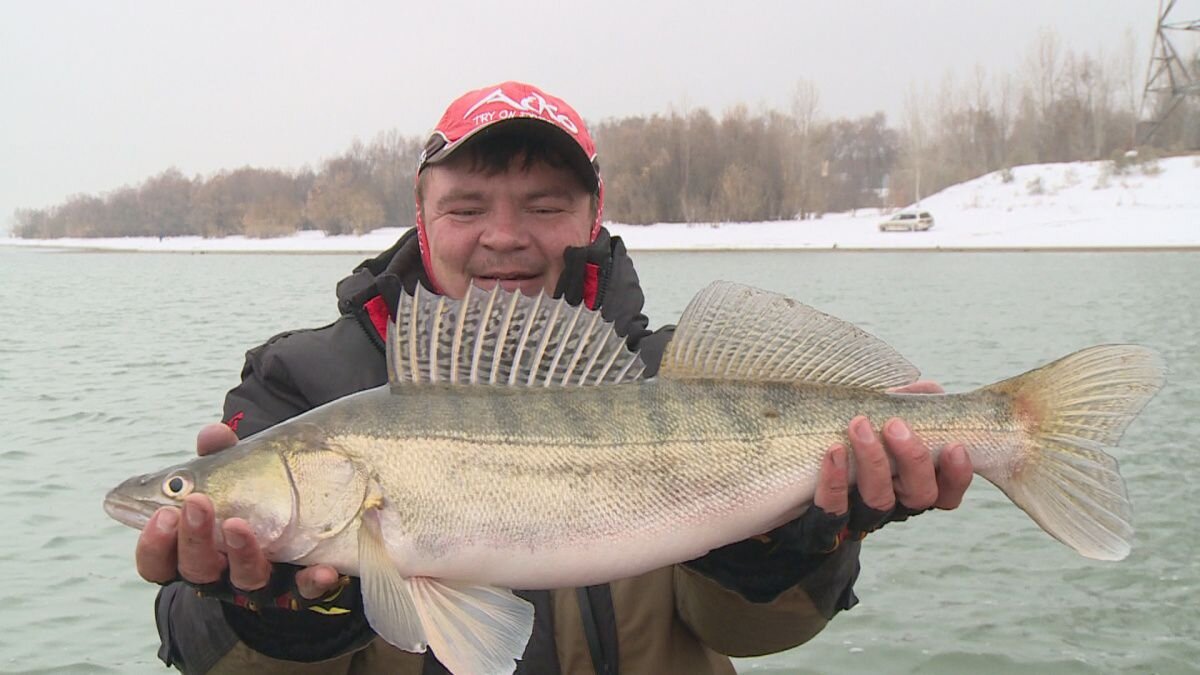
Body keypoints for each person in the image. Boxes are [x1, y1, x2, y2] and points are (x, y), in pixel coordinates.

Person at [135, 81, 973, 674]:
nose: (505, 235)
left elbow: (753, 633)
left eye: (544, 205)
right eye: (467, 207)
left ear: (592, 215)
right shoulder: (301, 386)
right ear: (422, 215)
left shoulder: (665, 375)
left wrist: (797, 551)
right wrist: (274, 617)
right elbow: (194, 646)